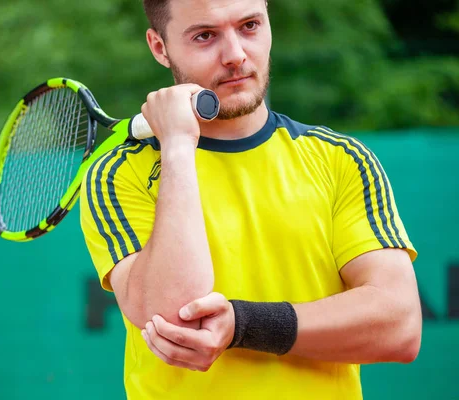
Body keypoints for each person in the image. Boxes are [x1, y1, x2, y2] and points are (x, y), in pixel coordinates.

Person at [79, 0, 422, 398]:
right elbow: (176, 319)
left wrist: (243, 324)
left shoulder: (341, 159)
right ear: (160, 47)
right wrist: (176, 146)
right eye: (205, 36)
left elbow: (399, 325)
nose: (236, 55)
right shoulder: (117, 174)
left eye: (250, 26)